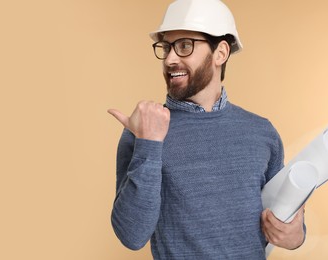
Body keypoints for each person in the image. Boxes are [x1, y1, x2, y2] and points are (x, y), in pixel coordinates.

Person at [108, 0, 305, 259]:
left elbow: (286, 217)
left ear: (220, 53)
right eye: (166, 47)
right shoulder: (143, 131)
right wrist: (149, 143)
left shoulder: (261, 132)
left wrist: (296, 235)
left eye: (184, 46)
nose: (169, 59)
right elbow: (132, 236)